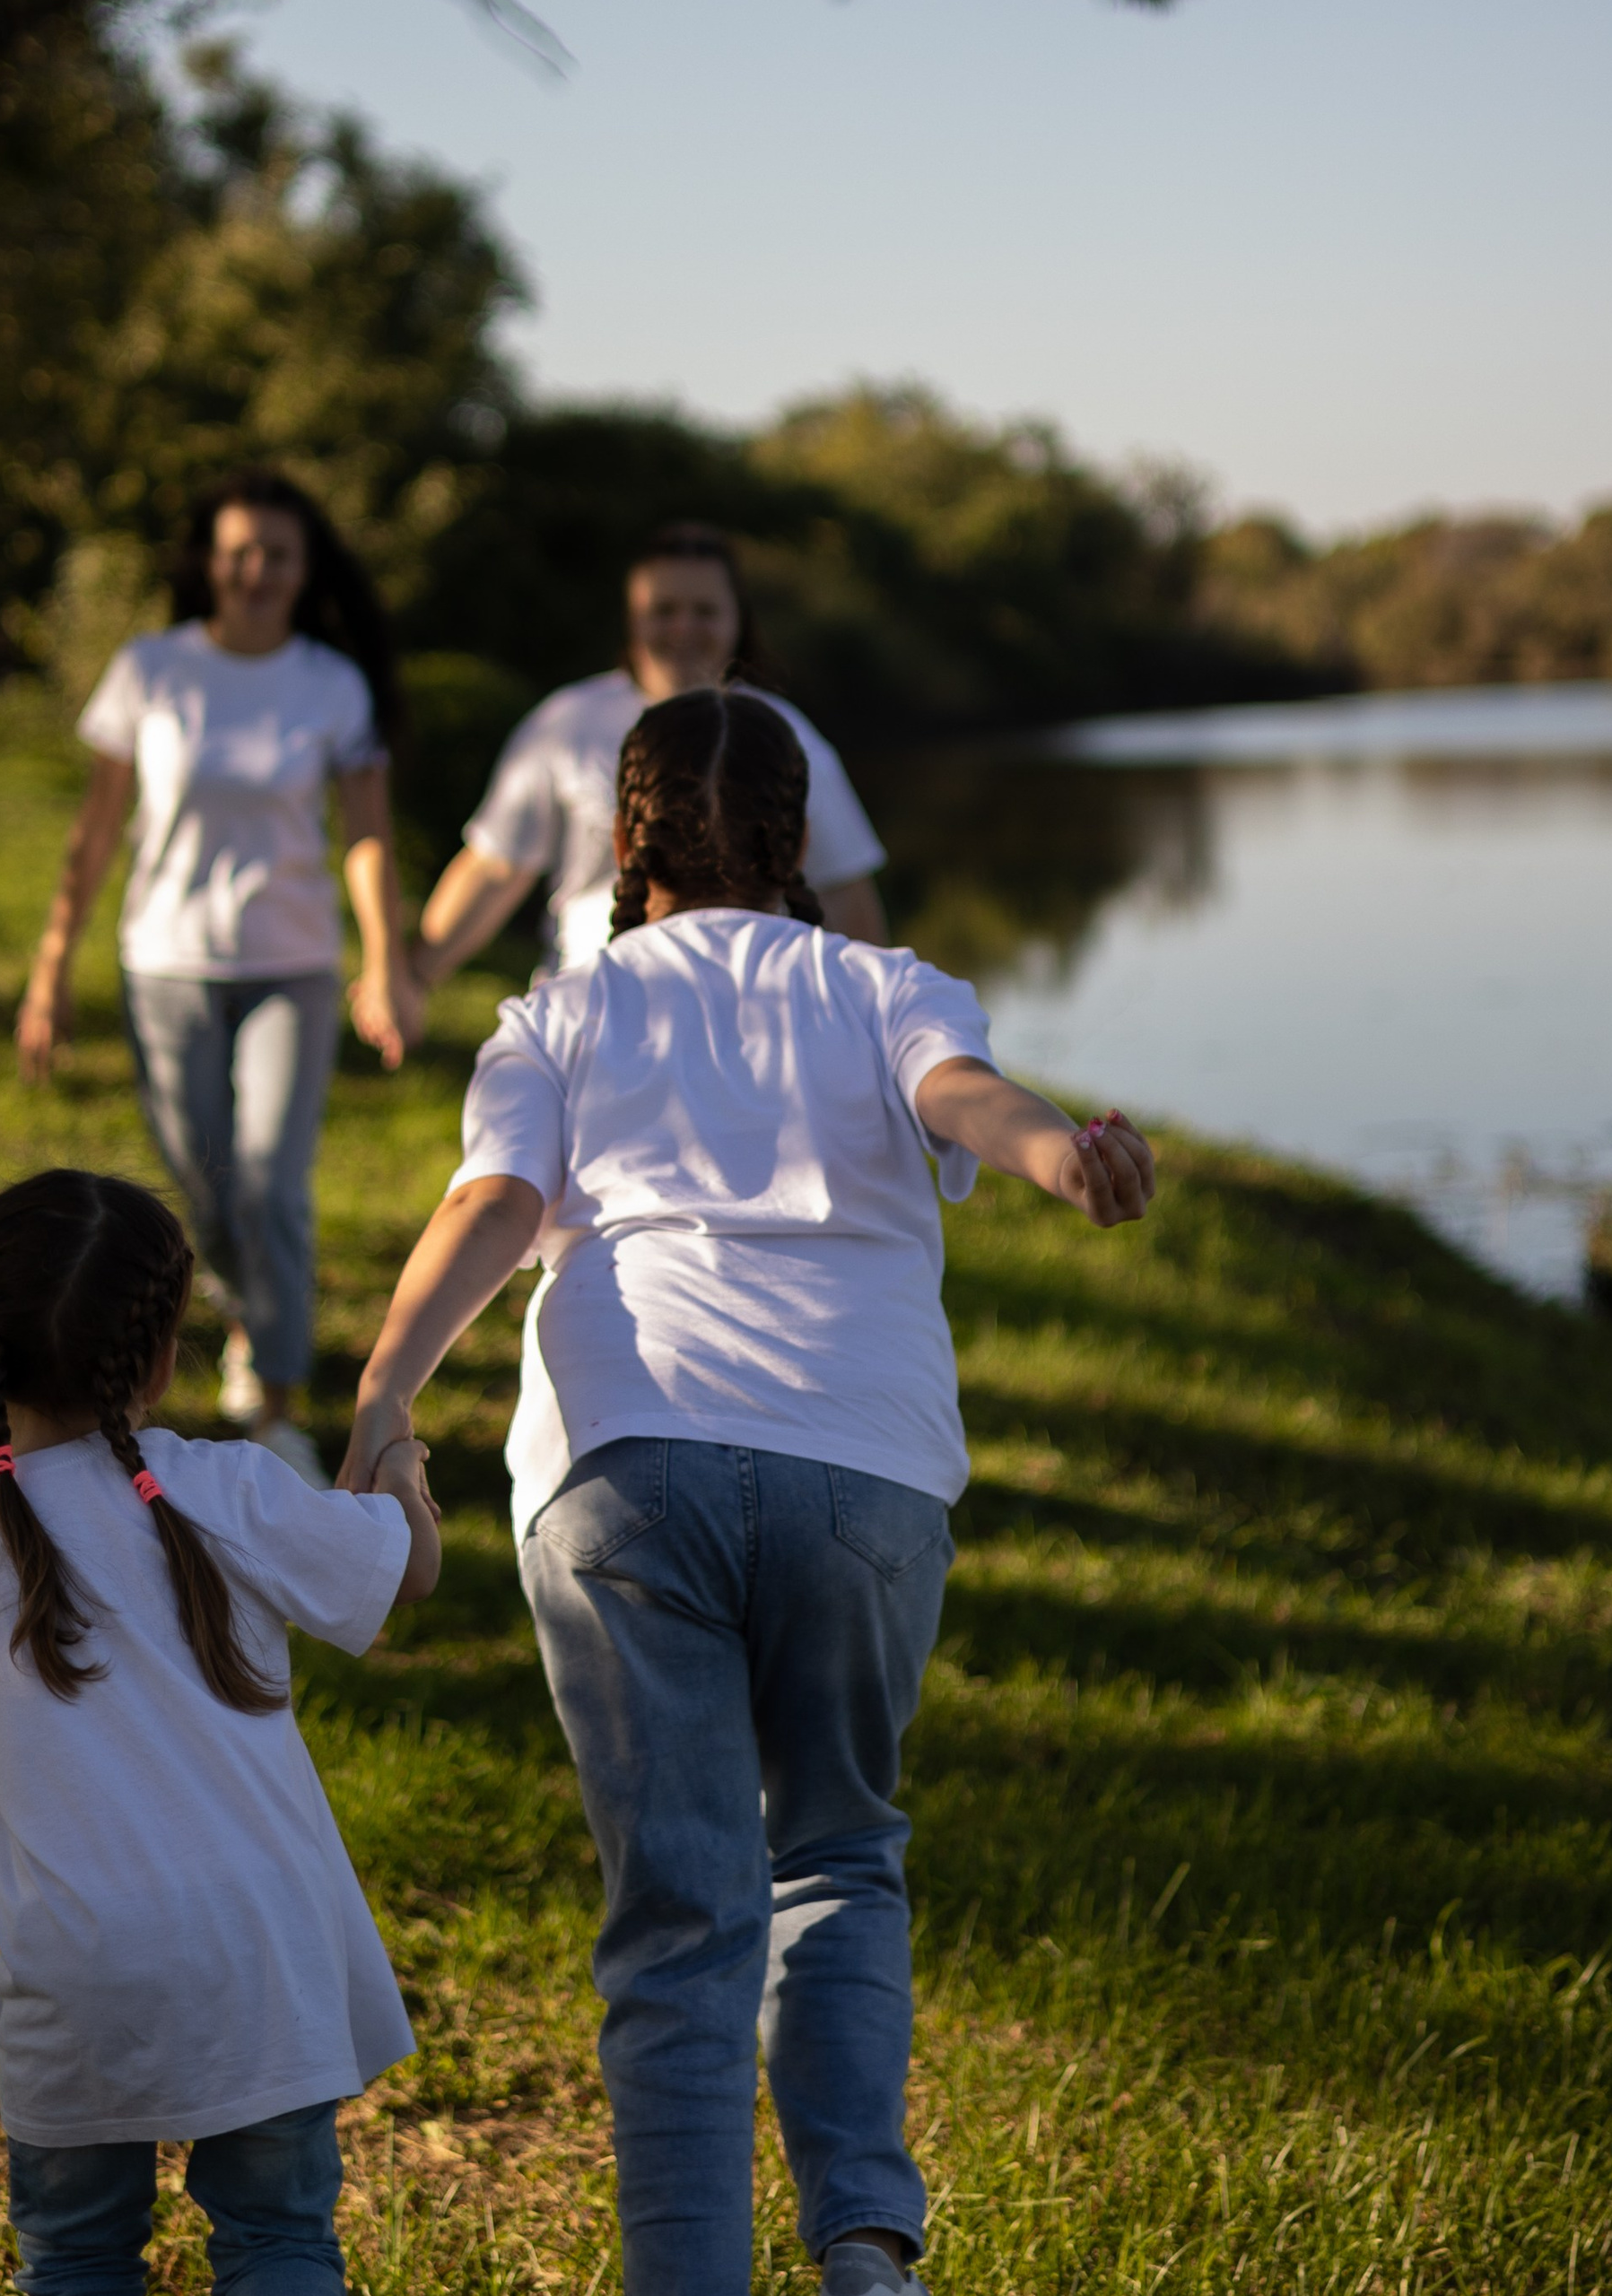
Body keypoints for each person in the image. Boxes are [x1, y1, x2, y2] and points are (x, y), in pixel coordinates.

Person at [337, 691, 1157, 2296]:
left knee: (681, 1916)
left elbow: (499, 1203)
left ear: (625, 840)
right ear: (795, 843)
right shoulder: (886, 985)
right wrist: (1063, 1157)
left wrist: (383, 1395)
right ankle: (864, 2245)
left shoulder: (559, 1012)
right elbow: (961, 1100)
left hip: (625, 1471)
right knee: (837, 1858)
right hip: (863, 1473)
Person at [0, 1168, 441, 2296]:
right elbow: (410, 1569)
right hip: (261, 1963)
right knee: (278, 2243)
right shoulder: (228, 1487)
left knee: (79, 2256)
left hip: (76, 1981)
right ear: (161, 1352)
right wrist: (402, 1469)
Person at [16, 471, 420, 1486]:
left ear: (302, 569)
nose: (255, 572)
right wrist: (51, 964)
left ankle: (277, 1403)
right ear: (206, 560)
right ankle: (252, 1311)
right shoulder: (150, 670)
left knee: (274, 1185)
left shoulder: (332, 682)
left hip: (293, 963)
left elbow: (366, 839)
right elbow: (96, 830)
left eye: (276, 555)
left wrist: (386, 963)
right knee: (204, 1191)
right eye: (237, 551)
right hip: (165, 960)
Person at [410, 523, 889, 985]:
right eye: (664, 609)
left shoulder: (782, 734)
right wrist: (412, 977)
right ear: (632, 616)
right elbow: (496, 866)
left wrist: (879, 1016)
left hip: (751, 1013)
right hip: (587, 1002)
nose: (683, 627)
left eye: (704, 610)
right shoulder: (567, 724)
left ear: (737, 619)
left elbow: (844, 889)